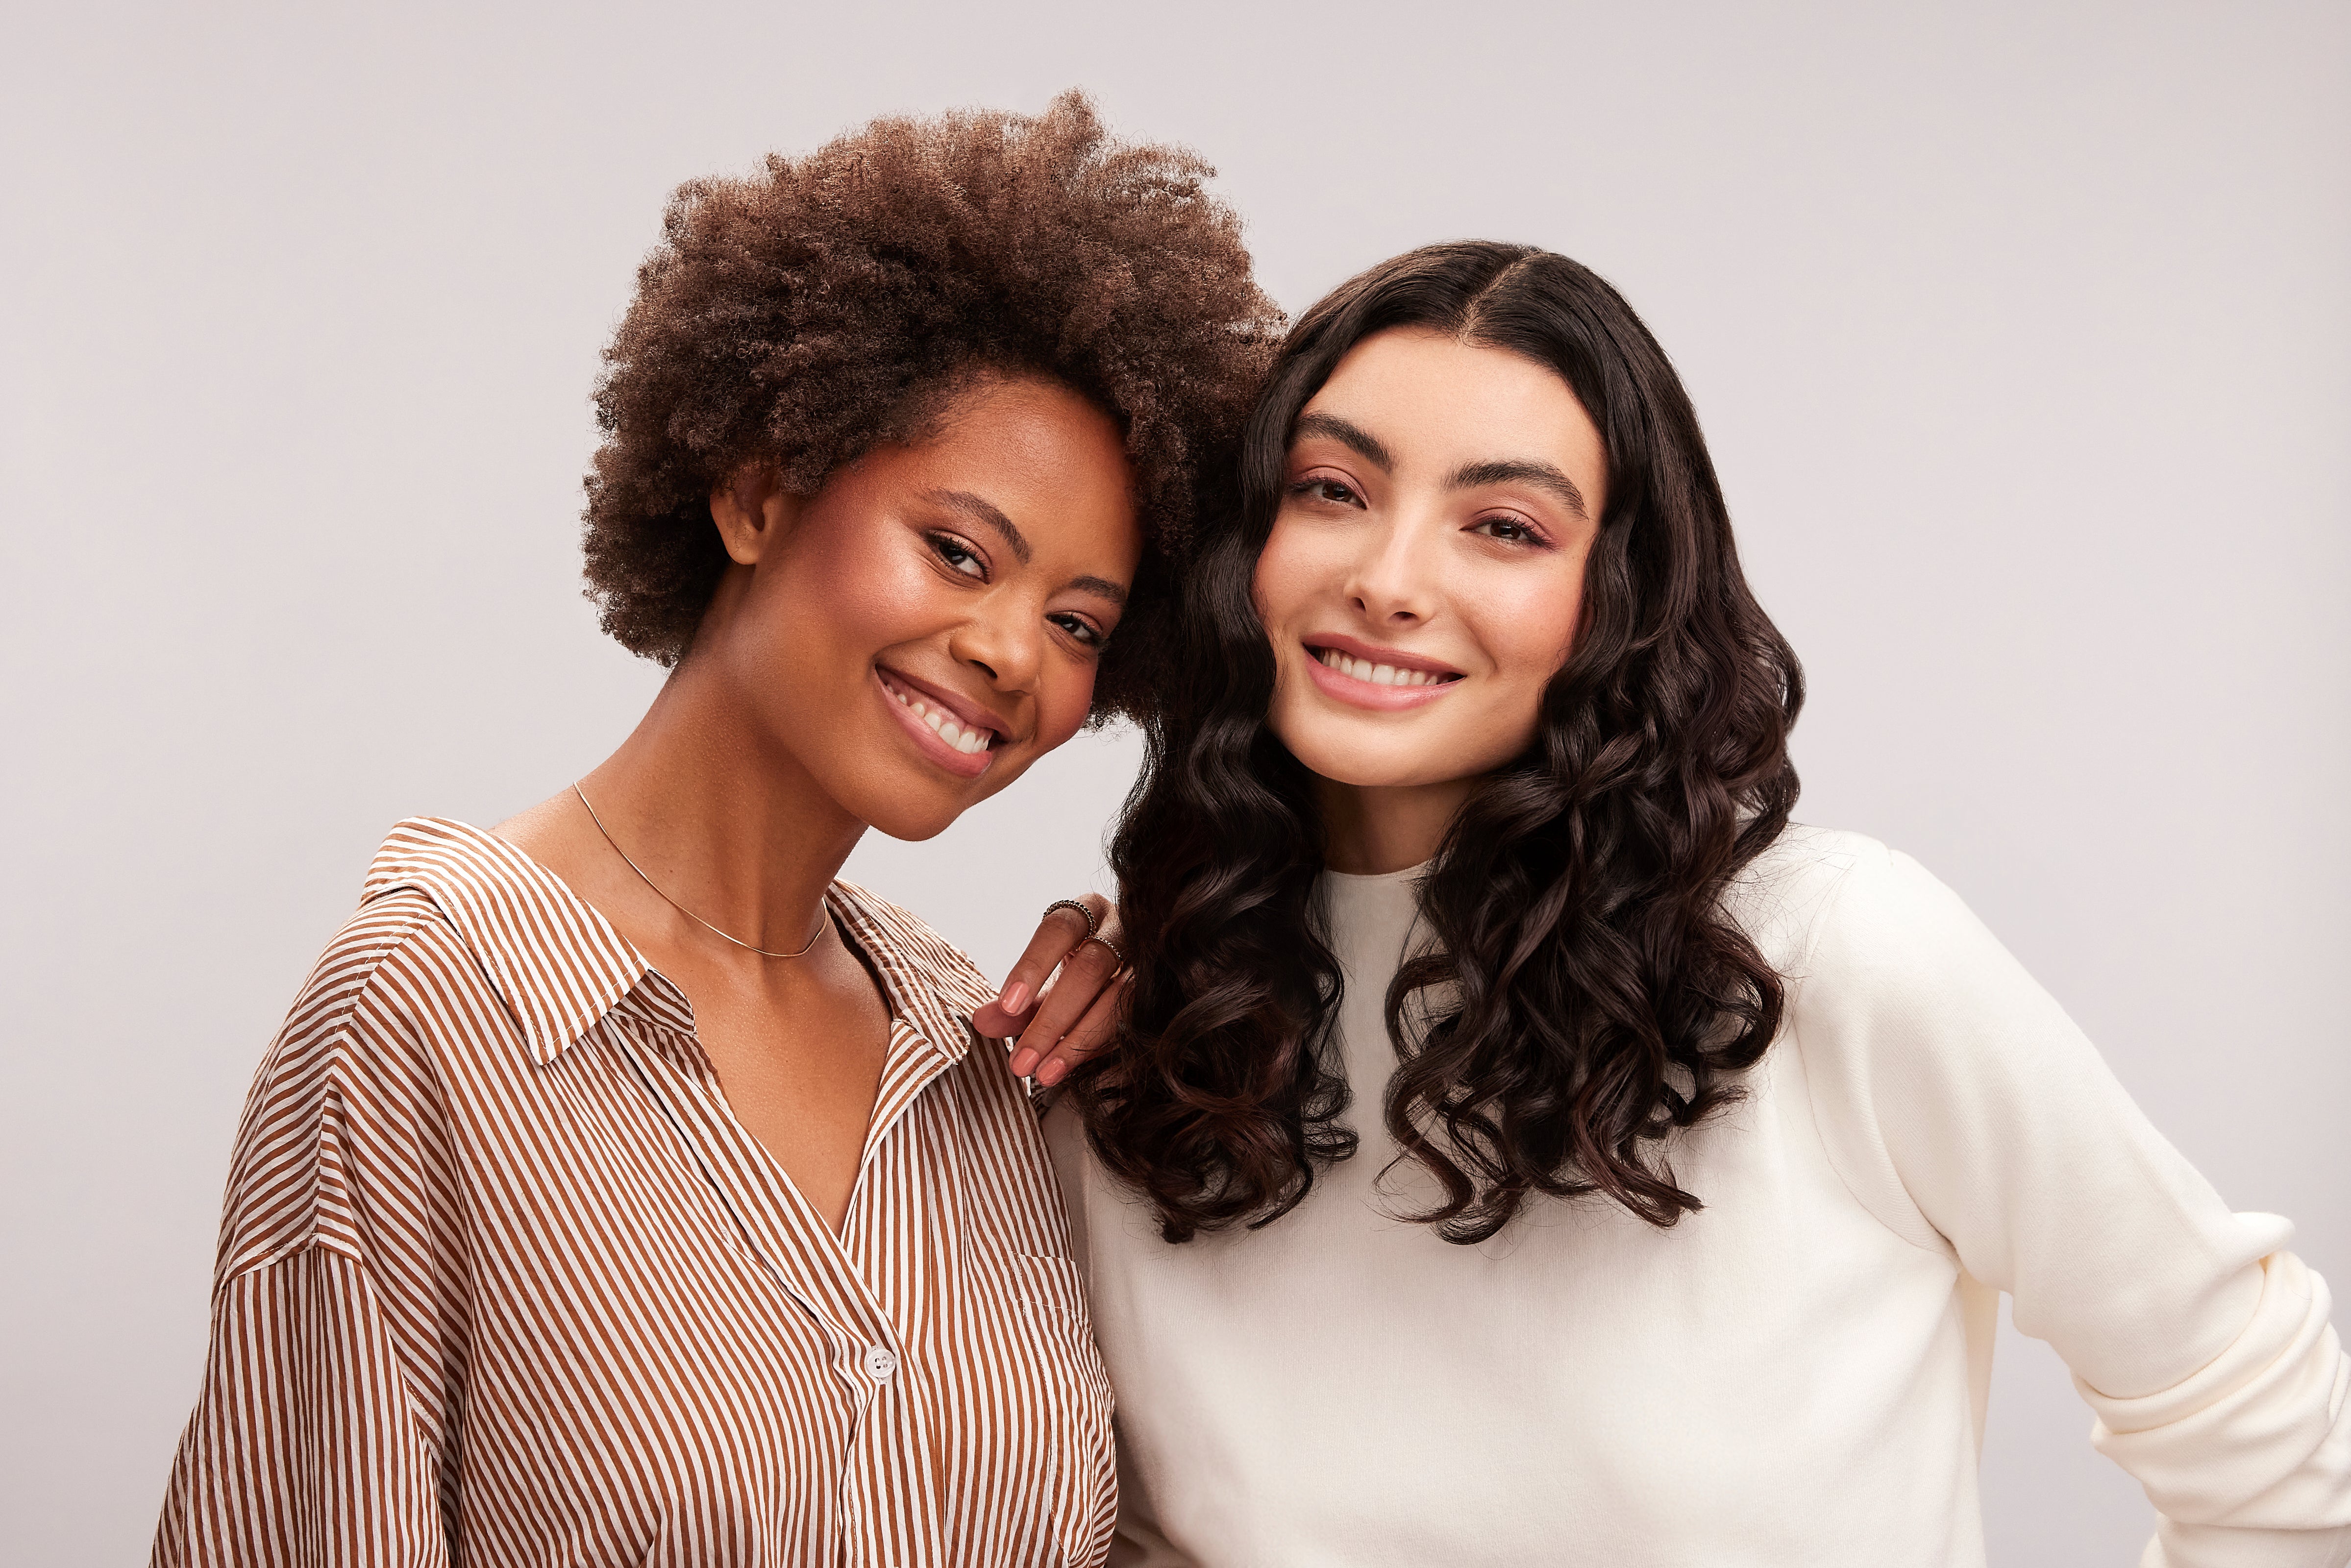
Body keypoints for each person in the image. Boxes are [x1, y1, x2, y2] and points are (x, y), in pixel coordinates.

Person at [1014, 242, 2351, 1566]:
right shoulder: (1145, 1036)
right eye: (1331, 490)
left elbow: (2260, 1422)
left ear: (1617, 601)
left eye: (1506, 527)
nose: (1389, 578)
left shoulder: (1827, 957)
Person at [152, 94, 1279, 1568]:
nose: (1014, 653)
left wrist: (1191, 980)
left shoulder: (986, 1065)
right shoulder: (421, 1018)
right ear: (758, 492)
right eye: (956, 551)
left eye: (1079, 622)